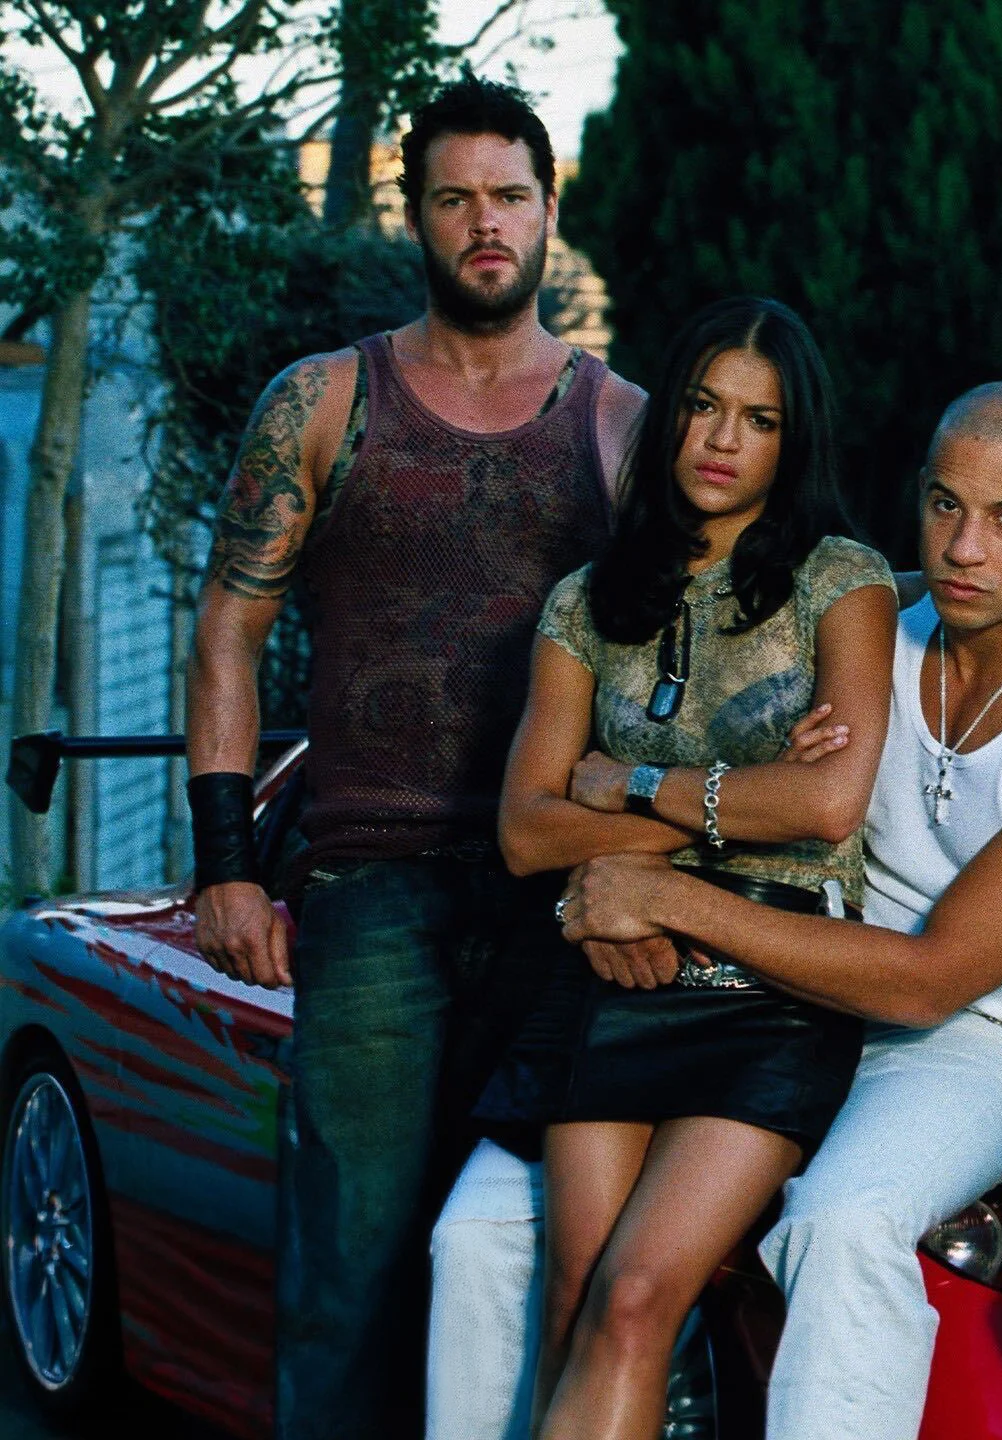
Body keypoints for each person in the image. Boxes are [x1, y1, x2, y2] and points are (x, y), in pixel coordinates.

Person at [426, 380, 1002, 1440]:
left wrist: (667, 895)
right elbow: (688, 780)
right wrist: (647, 840)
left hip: (981, 1038)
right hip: (774, 993)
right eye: (945, 505)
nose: (965, 548)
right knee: (480, 1233)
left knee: (842, 1219)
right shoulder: (862, 625)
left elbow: (928, 983)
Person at [182, 77, 649, 1436]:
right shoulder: (326, 401)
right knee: (350, 1266)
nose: (485, 222)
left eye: (509, 196)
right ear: (417, 216)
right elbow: (225, 637)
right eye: (456, 198)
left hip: (558, 894)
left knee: (532, 1258)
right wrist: (226, 867)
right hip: (371, 886)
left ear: (548, 212)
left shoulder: (620, 422)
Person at [458, 295, 894, 1437]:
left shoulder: (841, 582)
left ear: (793, 441)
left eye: (759, 419)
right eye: (704, 406)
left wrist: (625, 784)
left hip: (769, 986)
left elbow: (827, 805)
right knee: (574, 1297)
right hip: (612, 962)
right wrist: (739, 801)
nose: (722, 438)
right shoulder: (585, 603)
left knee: (638, 1296)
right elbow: (526, 832)